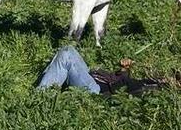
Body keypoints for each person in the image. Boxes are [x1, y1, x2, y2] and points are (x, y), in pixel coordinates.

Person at [36, 46, 164, 95]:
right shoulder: (144, 81)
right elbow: (123, 81)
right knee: (68, 49)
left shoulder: (152, 86)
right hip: (92, 77)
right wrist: (124, 69)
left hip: (96, 89)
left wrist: (163, 83)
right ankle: (46, 86)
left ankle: (41, 96)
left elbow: (125, 87)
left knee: (67, 55)